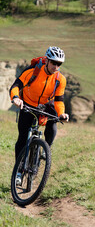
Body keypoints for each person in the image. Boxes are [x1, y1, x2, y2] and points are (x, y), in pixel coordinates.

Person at [9, 46, 69, 184]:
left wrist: (62, 114)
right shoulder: (33, 71)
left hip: (46, 105)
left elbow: (59, 101)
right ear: (47, 61)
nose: (56, 66)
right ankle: (18, 171)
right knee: (23, 138)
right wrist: (16, 98)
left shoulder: (60, 79)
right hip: (28, 104)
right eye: (53, 62)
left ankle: (46, 148)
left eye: (59, 64)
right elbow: (15, 86)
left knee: (53, 120)